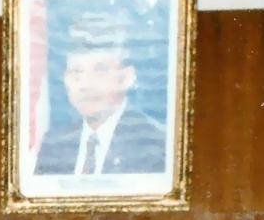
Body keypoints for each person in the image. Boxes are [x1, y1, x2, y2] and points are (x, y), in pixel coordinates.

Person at [35, 13, 166, 176]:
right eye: (76, 72)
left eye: (100, 71)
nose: (85, 84)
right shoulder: (54, 144)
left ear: (126, 78)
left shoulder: (155, 145)